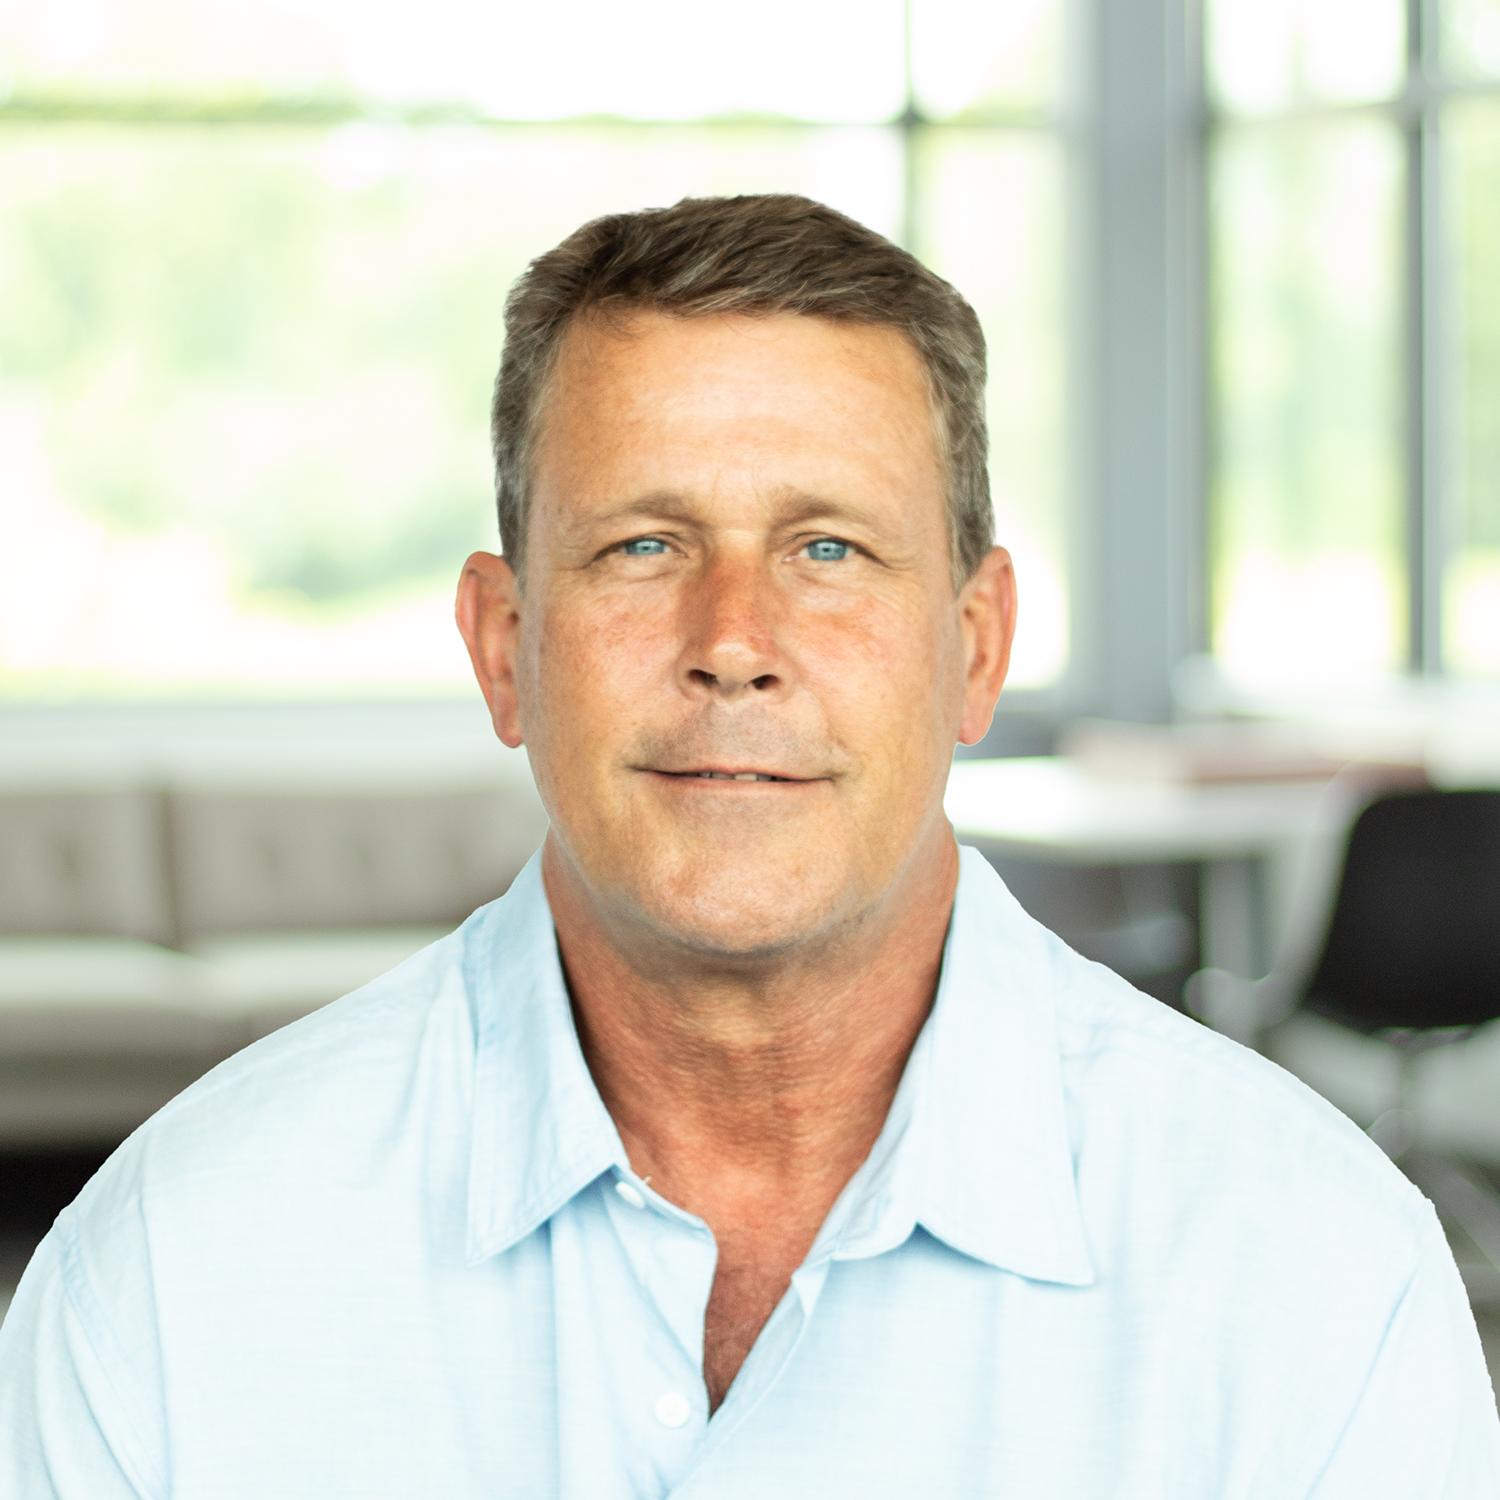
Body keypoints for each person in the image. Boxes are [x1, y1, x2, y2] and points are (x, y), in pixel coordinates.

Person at [1, 192, 1497, 1497]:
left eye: (828, 549)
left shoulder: (1310, 1270)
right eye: (643, 545)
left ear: (974, 650)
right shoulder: (173, 1273)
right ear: (505, 648)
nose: (735, 644)